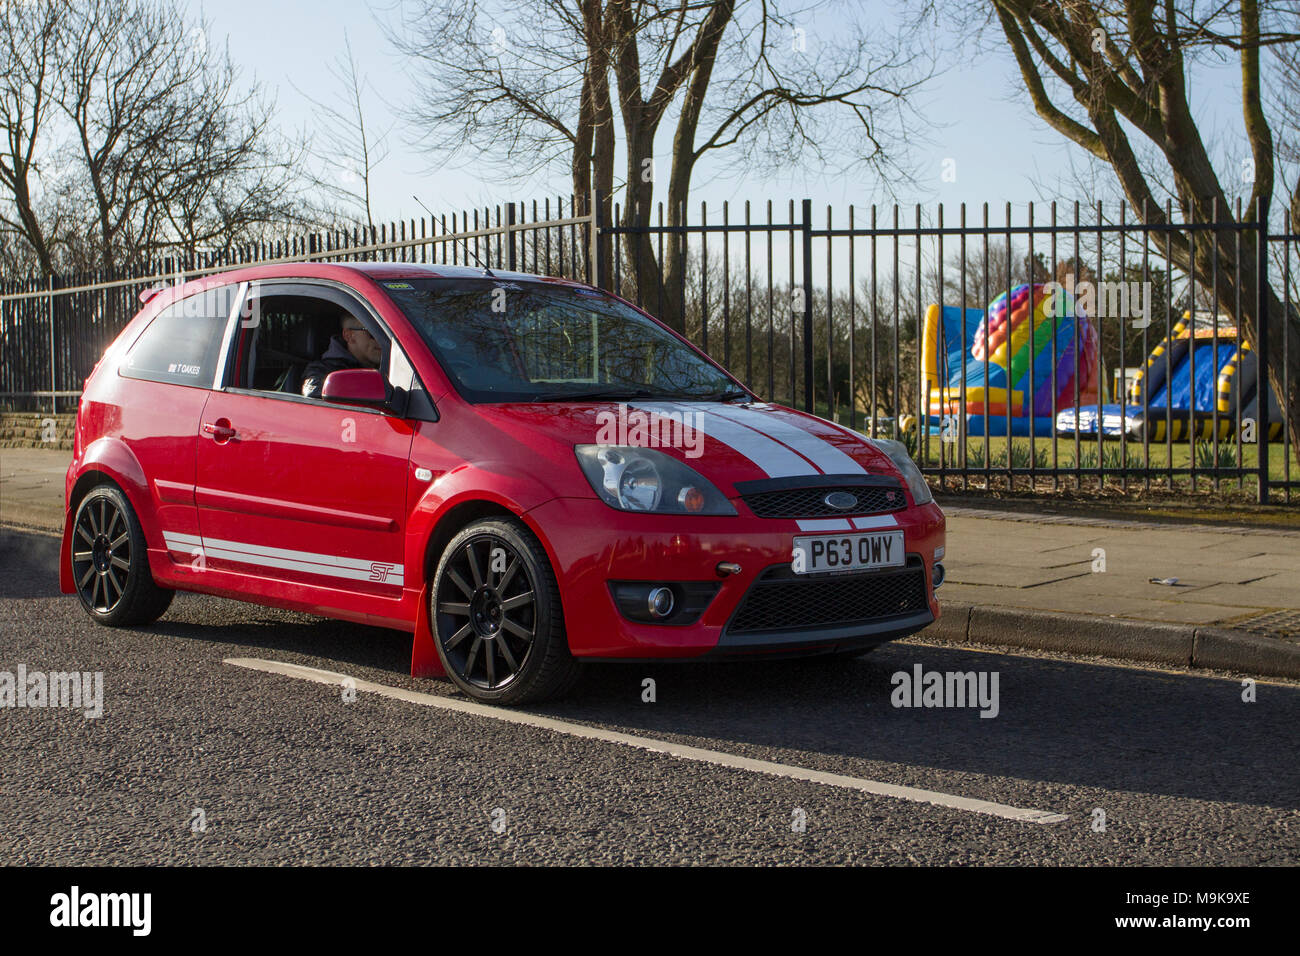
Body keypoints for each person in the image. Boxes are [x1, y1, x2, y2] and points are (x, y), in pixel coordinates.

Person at [302, 313, 382, 399]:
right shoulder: (321, 370)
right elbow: (312, 392)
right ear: (349, 336)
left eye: (382, 333)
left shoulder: (391, 366)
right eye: (373, 333)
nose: (380, 340)